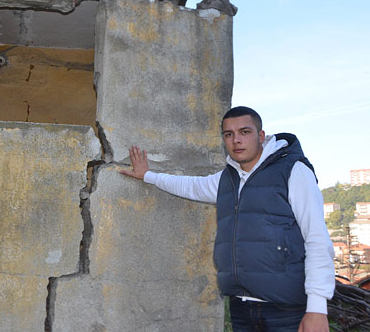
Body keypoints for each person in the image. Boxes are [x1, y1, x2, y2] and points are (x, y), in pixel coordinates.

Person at [120, 106, 334, 332]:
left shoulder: (293, 171)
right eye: (229, 134)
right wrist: (148, 176)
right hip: (241, 308)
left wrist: (317, 308)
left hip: (286, 310)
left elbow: (317, 239)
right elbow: (191, 186)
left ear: (261, 136)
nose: (236, 140)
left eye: (245, 132)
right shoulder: (228, 178)